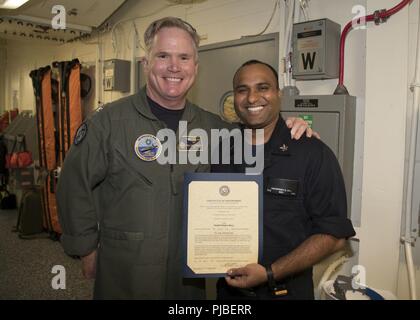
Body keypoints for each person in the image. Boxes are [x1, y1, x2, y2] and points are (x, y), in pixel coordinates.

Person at [56, 17, 314, 299]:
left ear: (195, 67)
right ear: (146, 63)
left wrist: (290, 126)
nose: (174, 67)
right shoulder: (108, 122)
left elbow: (258, 134)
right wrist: (86, 247)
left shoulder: (213, 127)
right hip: (126, 271)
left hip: (187, 278)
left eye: (184, 57)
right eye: (163, 56)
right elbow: (73, 183)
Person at [213, 60, 356, 300]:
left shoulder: (312, 153)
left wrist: (270, 272)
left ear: (278, 94)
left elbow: (333, 236)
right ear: (234, 97)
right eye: (242, 89)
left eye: (262, 87)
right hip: (229, 295)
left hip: (286, 293)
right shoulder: (221, 151)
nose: (252, 98)